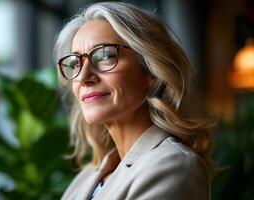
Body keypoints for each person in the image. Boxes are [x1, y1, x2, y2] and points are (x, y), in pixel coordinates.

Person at [53, 2, 217, 200]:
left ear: (150, 71)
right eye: (75, 63)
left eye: (105, 55)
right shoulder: (88, 176)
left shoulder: (173, 166)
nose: (83, 77)